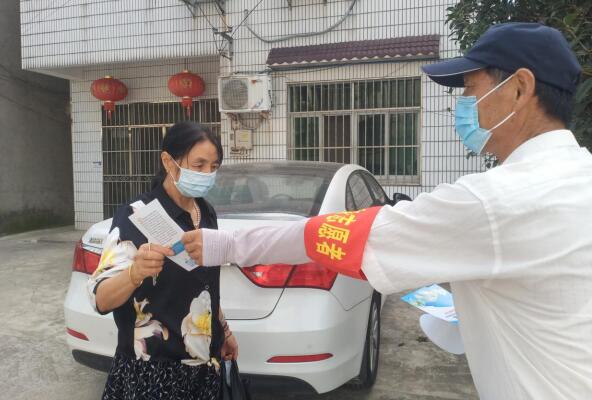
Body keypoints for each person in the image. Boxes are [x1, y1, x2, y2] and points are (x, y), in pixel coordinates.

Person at [182, 23, 592, 399]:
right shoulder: (578, 175)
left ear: (520, 89)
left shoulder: (494, 201)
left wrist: (226, 244)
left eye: (471, 88)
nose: (465, 103)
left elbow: (322, 235)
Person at [88, 121, 238, 400]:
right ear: (169, 162)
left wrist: (224, 331)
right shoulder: (135, 216)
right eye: (199, 165)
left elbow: (205, 285)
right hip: (153, 371)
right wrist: (135, 273)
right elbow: (101, 300)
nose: (207, 174)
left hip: (205, 366)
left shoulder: (206, 213)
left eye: (214, 166)